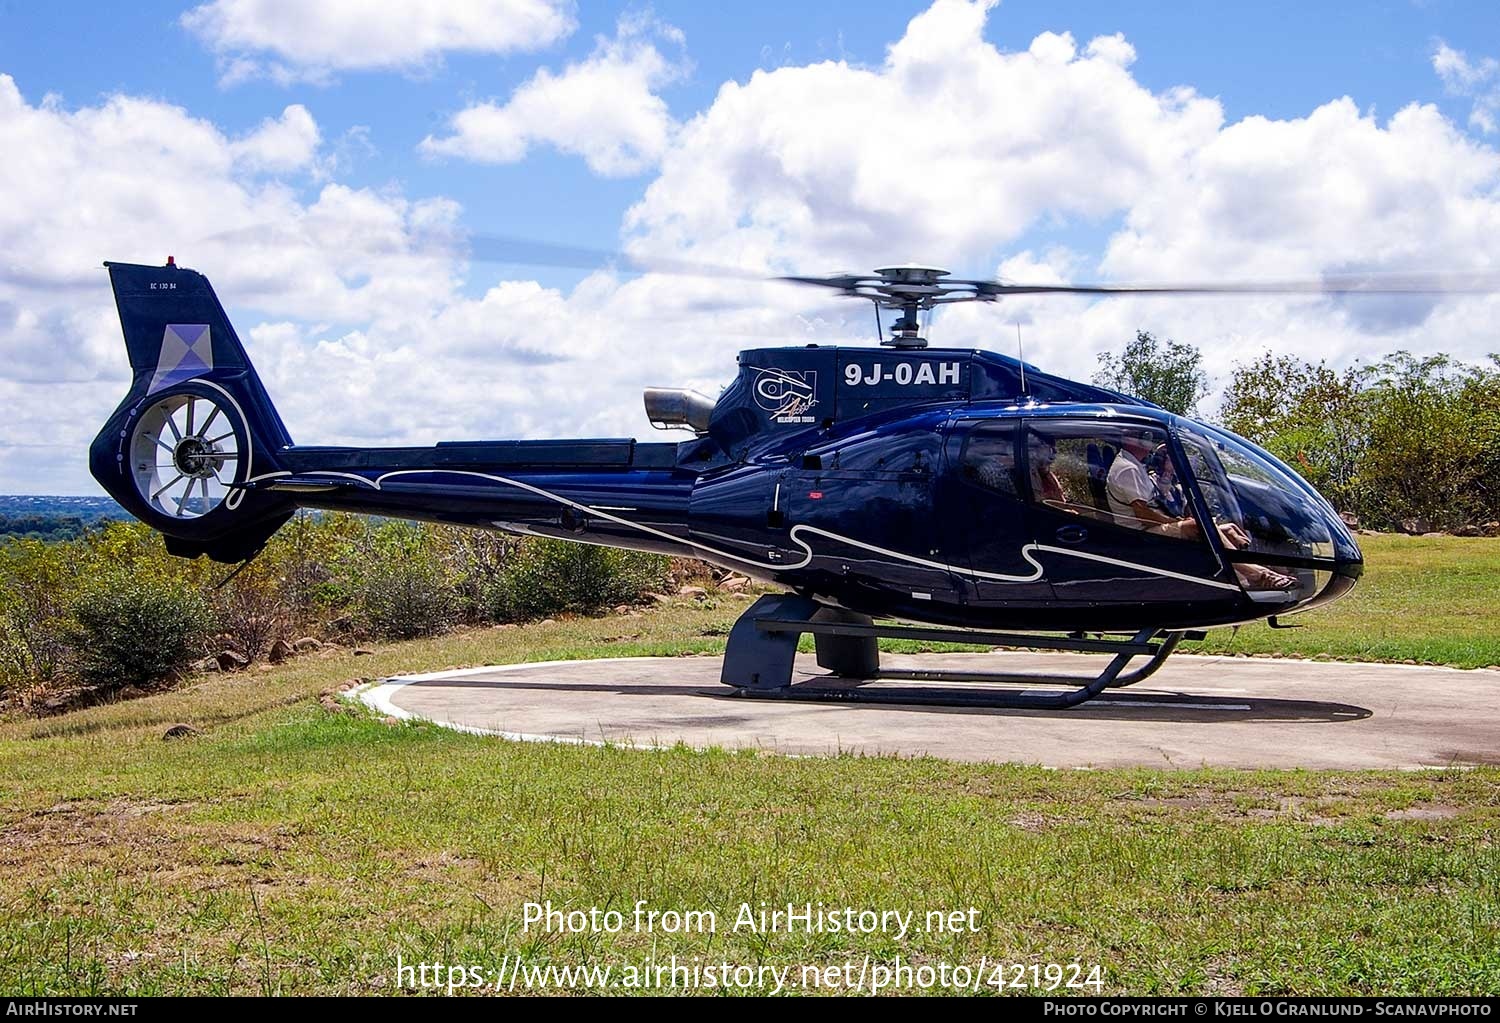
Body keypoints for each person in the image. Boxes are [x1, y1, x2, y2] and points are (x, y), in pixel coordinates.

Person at [1106, 429, 1297, 591]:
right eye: (1144, 437)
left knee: (1227, 528)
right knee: (1199, 525)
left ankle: (1258, 573)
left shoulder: (1135, 466)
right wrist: (1177, 523)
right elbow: (1143, 515)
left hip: (1148, 527)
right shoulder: (1128, 468)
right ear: (1128, 440)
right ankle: (1257, 575)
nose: (1148, 441)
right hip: (1139, 534)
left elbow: (1155, 501)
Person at [1028, 433, 1070, 506]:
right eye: (1049, 448)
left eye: (1053, 448)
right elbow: (1040, 504)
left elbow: (1061, 501)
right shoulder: (1029, 475)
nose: (1053, 452)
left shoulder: (1047, 474)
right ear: (1037, 450)